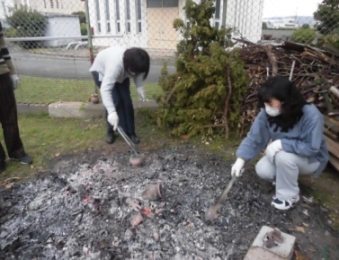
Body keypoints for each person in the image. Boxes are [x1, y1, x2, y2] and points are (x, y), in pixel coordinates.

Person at [231, 76, 329, 210]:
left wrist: (281, 144)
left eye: (271, 104)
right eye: (265, 104)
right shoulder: (267, 114)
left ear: (285, 100)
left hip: (312, 158)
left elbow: (311, 147)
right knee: (262, 170)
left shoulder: (311, 115)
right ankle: (285, 179)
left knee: (283, 157)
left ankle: (289, 196)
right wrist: (241, 159)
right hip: (285, 155)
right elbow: (255, 137)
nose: (267, 108)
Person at [89, 46, 150, 144]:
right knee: (115, 100)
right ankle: (110, 131)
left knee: (126, 101)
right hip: (101, 70)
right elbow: (105, 90)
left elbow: (137, 73)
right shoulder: (115, 66)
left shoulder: (132, 61)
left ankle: (130, 132)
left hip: (124, 71)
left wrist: (139, 87)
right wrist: (112, 112)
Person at [0, 21, 33, 173]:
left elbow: (3, 48)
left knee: (10, 117)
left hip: (1, 75)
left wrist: (12, 72)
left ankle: (16, 151)